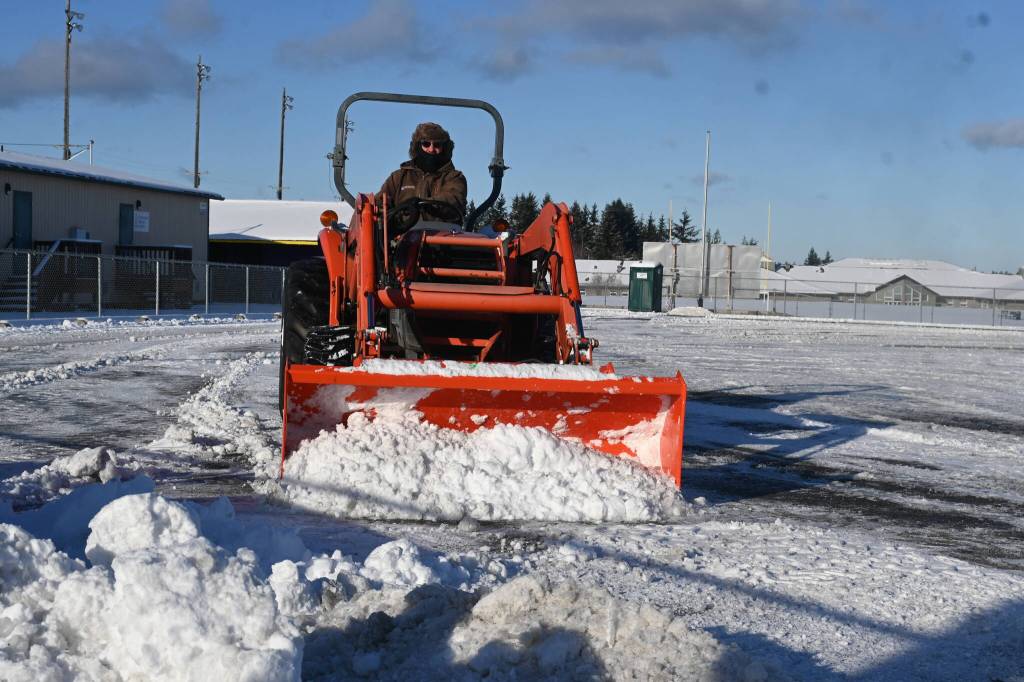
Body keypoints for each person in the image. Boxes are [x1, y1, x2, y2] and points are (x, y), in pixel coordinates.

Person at [379, 122, 467, 226]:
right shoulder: (399, 178)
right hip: (404, 235)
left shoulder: (454, 178)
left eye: (437, 145)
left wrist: (421, 204)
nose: (431, 149)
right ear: (417, 146)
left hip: (443, 235)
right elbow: (379, 204)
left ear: (444, 148)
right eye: (426, 144)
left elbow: (453, 199)